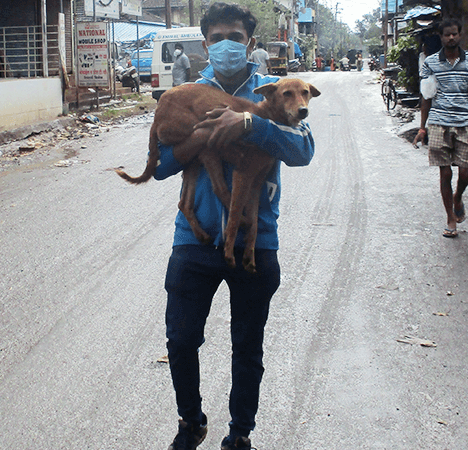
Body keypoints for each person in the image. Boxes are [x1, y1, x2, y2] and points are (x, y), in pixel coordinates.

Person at [153, 3, 315, 450]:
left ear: (250, 44)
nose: (227, 45)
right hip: (195, 239)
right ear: (205, 45)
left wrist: (249, 123)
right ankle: (191, 422)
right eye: (218, 37)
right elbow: (164, 164)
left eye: (236, 38)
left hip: (256, 240)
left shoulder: (277, 91)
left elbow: (303, 151)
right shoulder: (186, 95)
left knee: (248, 348)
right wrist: (202, 138)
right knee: (181, 339)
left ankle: (239, 432)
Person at [413, 17, 468, 238]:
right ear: (440, 37)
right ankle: (450, 217)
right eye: (447, 34)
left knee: (466, 172)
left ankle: (458, 196)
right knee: (445, 173)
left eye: (455, 34)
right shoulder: (430, 63)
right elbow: (426, 97)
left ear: (460, 35)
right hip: (439, 122)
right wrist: (422, 128)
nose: (451, 37)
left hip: (465, 122)